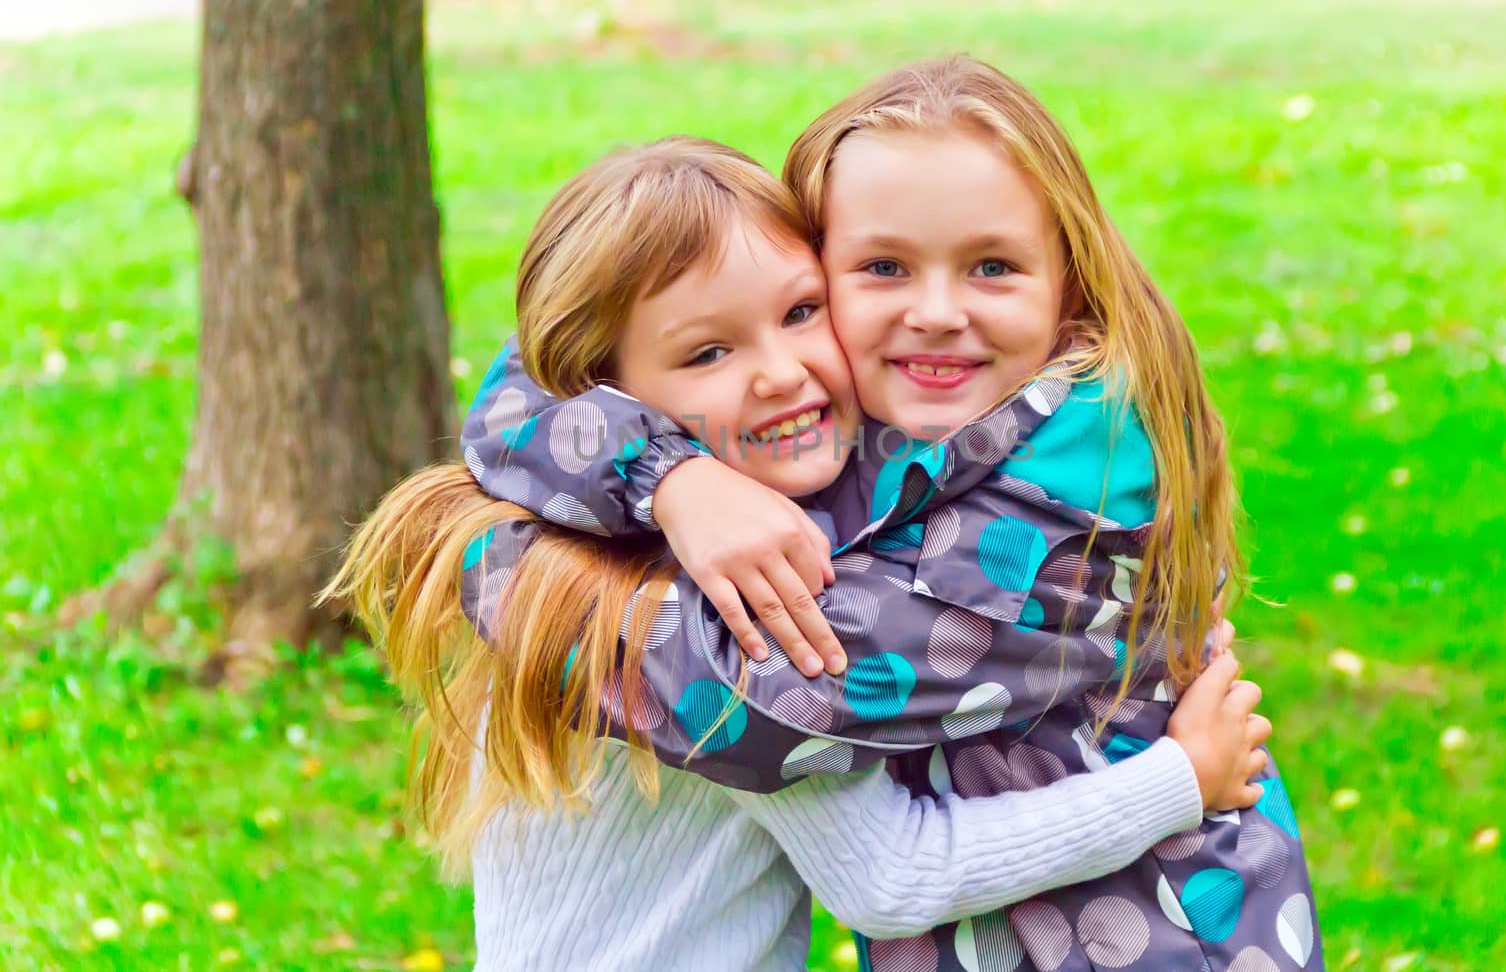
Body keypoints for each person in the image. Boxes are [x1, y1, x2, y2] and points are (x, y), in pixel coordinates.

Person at [326, 136, 1270, 972]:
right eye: (707, 355)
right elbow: (892, 875)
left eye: (801, 311)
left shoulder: (596, 515)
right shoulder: (715, 604)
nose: (781, 371)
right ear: (609, 395)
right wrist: (1178, 779)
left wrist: (674, 476)